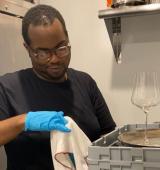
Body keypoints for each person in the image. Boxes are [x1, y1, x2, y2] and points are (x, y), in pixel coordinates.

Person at [0, 4, 116, 170]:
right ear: (27, 49)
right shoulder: (7, 87)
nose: (54, 59)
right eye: (43, 53)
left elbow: (108, 135)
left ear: (67, 38)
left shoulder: (85, 82)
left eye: (61, 48)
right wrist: (23, 121)